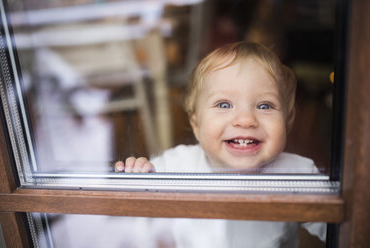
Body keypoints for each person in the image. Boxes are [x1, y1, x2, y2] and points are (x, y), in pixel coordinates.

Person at [114, 42, 326, 247]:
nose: (245, 120)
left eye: (264, 105)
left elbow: (342, 228)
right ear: (196, 125)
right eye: (224, 104)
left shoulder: (297, 175)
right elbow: (134, 217)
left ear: (287, 122)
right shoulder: (176, 166)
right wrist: (138, 177)